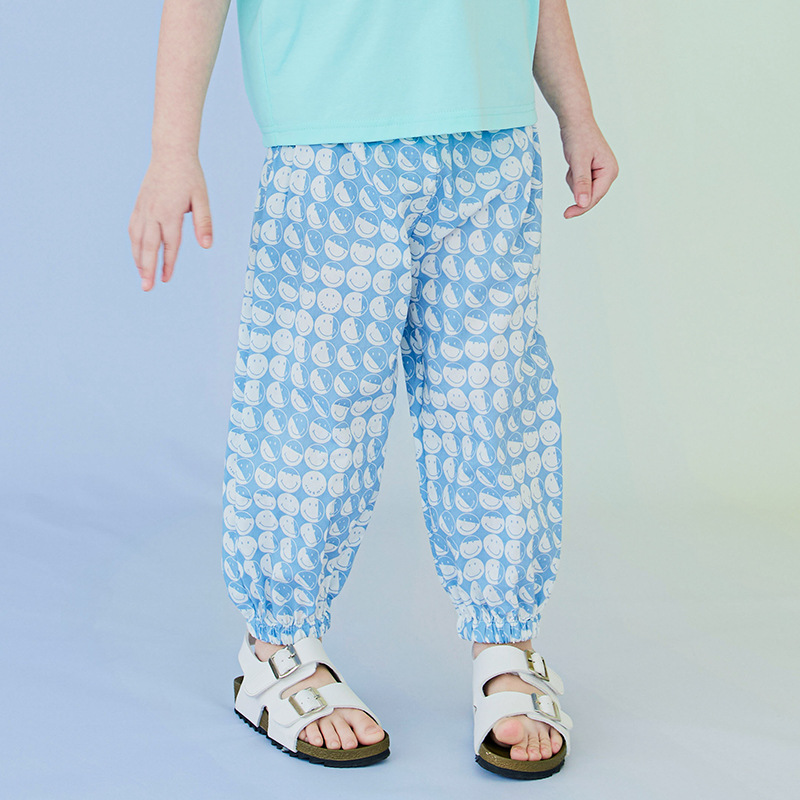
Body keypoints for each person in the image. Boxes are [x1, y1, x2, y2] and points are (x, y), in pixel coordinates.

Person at [128, 0, 618, 780]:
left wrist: (577, 114)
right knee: (316, 407)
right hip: (334, 144)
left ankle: (506, 644)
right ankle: (277, 647)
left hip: (490, 140)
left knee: (492, 402)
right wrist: (170, 149)